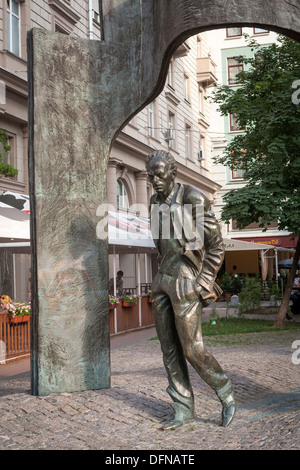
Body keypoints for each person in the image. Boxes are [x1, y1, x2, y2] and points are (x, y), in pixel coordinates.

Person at [145, 150, 235, 430]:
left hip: (186, 280)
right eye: (151, 175)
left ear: (173, 172)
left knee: (192, 349)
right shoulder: (153, 202)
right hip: (162, 280)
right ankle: (182, 408)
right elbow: (162, 245)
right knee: (169, 349)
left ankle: (227, 394)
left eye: (160, 174)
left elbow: (216, 246)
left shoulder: (192, 198)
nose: (155, 180)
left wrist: (203, 282)